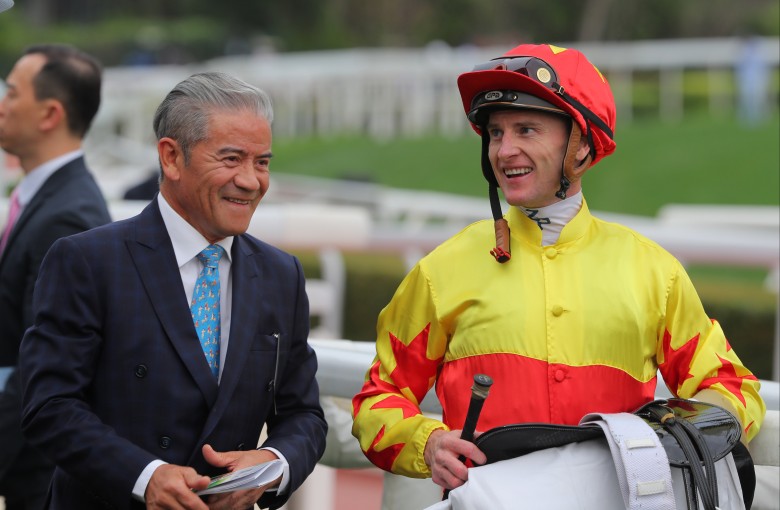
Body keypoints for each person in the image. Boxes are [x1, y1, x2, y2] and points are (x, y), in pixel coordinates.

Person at [351, 43, 766, 492]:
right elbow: (377, 401)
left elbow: (733, 388)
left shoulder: (654, 273)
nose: (504, 150)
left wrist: (675, 439)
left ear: (583, 143)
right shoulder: (440, 271)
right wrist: (427, 442)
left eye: (526, 130)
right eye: (495, 133)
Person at [18, 72, 327, 509]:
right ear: (171, 157)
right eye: (232, 158)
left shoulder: (281, 274)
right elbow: (49, 407)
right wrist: (146, 477)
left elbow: (304, 415)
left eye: (262, 162)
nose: (252, 181)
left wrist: (271, 463)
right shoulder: (87, 260)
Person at [0, 44, 111, 509]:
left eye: (10, 92)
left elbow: (42, 367)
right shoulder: (47, 198)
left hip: (38, 472)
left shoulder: (69, 217)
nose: (1, 103)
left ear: (49, 114)